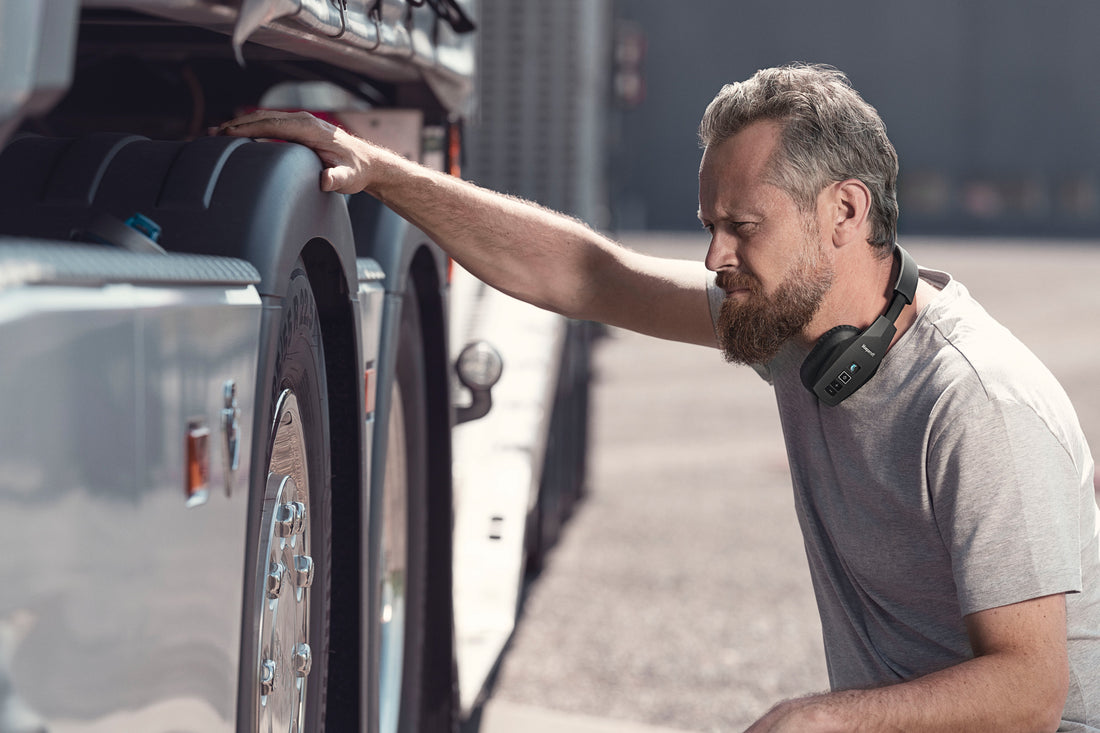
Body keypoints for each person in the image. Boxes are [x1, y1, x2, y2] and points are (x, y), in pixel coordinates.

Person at [220, 63, 1100, 732]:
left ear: (844, 211)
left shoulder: (979, 405)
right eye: (709, 226)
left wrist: (820, 719)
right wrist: (383, 174)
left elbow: (1032, 687)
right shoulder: (801, 333)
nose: (717, 256)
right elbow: (587, 274)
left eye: (742, 227)